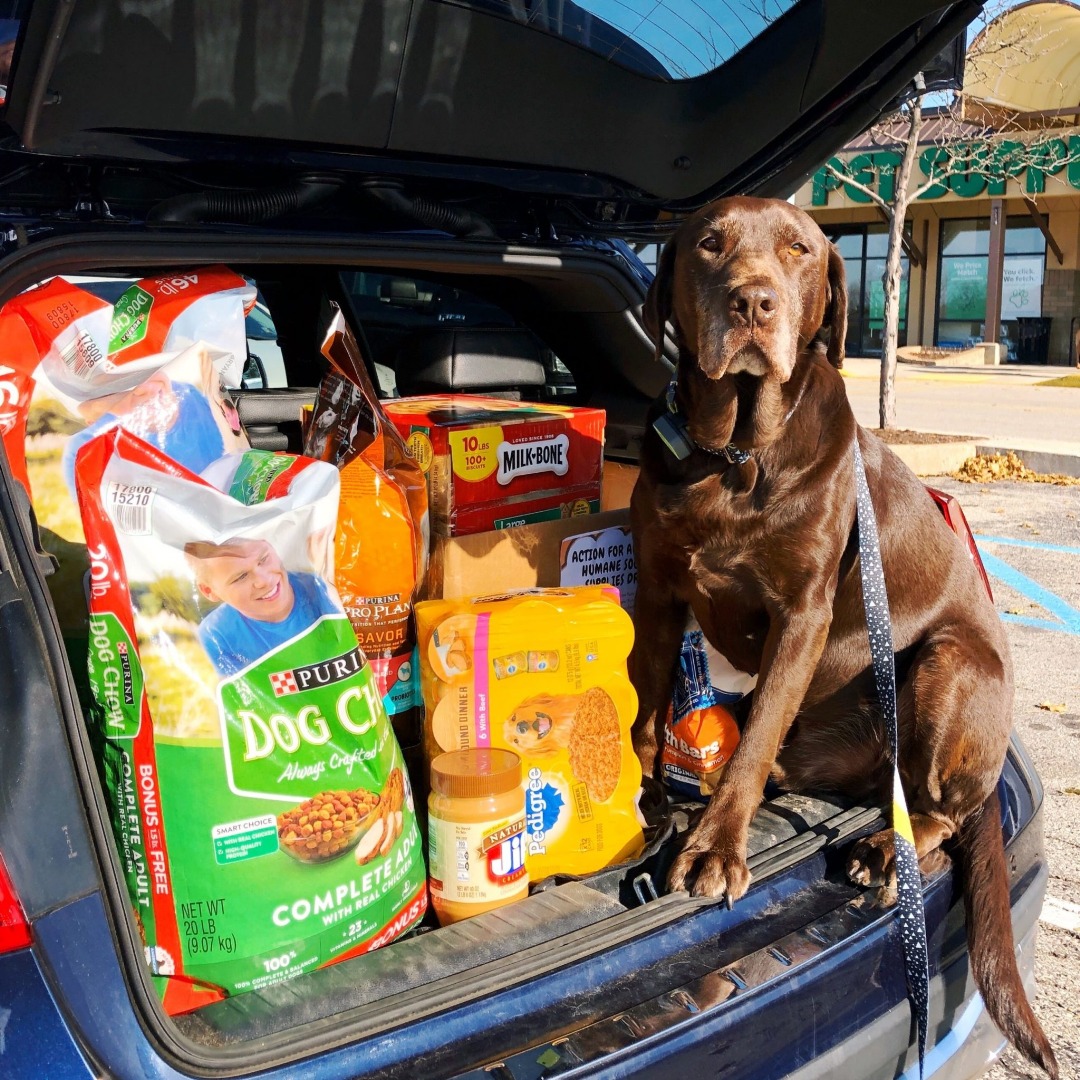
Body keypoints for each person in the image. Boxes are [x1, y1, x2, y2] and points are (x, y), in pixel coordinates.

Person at [184, 537, 341, 677]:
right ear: (208, 590)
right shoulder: (217, 635)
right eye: (241, 577)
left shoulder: (326, 592)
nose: (264, 580)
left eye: (264, 559)